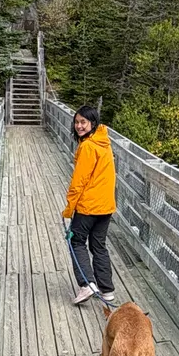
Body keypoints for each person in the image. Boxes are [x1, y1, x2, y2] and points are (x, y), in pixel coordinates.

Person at [62, 105, 117, 304]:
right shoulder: (104, 142)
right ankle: (107, 289)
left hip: (89, 206)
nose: (79, 126)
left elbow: (79, 181)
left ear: (93, 123)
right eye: (76, 122)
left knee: (75, 241)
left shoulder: (87, 147)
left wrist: (69, 209)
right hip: (106, 205)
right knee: (98, 245)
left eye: (83, 122)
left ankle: (86, 285)